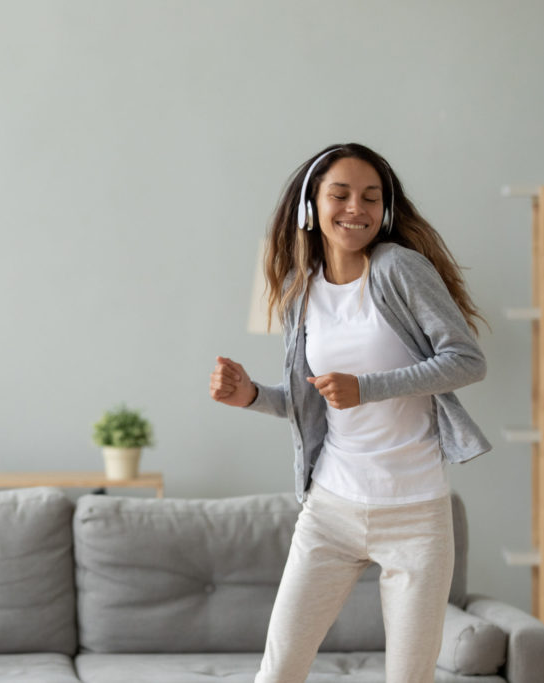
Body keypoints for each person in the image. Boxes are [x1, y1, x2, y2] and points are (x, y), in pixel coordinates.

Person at [208, 143, 491, 683]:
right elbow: (314, 400)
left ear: (384, 209)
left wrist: (368, 387)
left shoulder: (398, 268)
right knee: (278, 672)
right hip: (331, 510)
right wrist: (250, 396)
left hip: (416, 513)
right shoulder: (300, 291)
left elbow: (466, 360)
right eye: (340, 195)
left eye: (370, 197)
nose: (355, 209)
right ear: (311, 206)